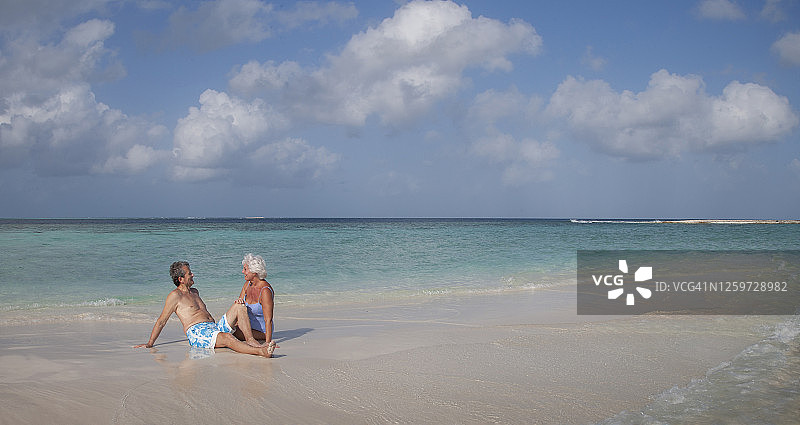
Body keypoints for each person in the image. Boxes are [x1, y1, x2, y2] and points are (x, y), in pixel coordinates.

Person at [134, 261, 275, 357]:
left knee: (239, 306)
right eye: (189, 273)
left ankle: (250, 340)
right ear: (181, 279)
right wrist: (150, 343)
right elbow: (161, 321)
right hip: (198, 333)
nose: (192, 274)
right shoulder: (174, 296)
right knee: (227, 337)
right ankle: (260, 352)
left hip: (213, 327)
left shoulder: (195, 291)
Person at [230, 253, 275, 347]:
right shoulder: (247, 285)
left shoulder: (265, 291)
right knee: (226, 329)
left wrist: (268, 343)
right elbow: (239, 308)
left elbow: (268, 320)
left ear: (254, 272)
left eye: (245, 269)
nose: (242, 272)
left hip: (261, 332)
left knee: (230, 333)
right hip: (246, 327)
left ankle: (253, 343)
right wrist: (238, 302)